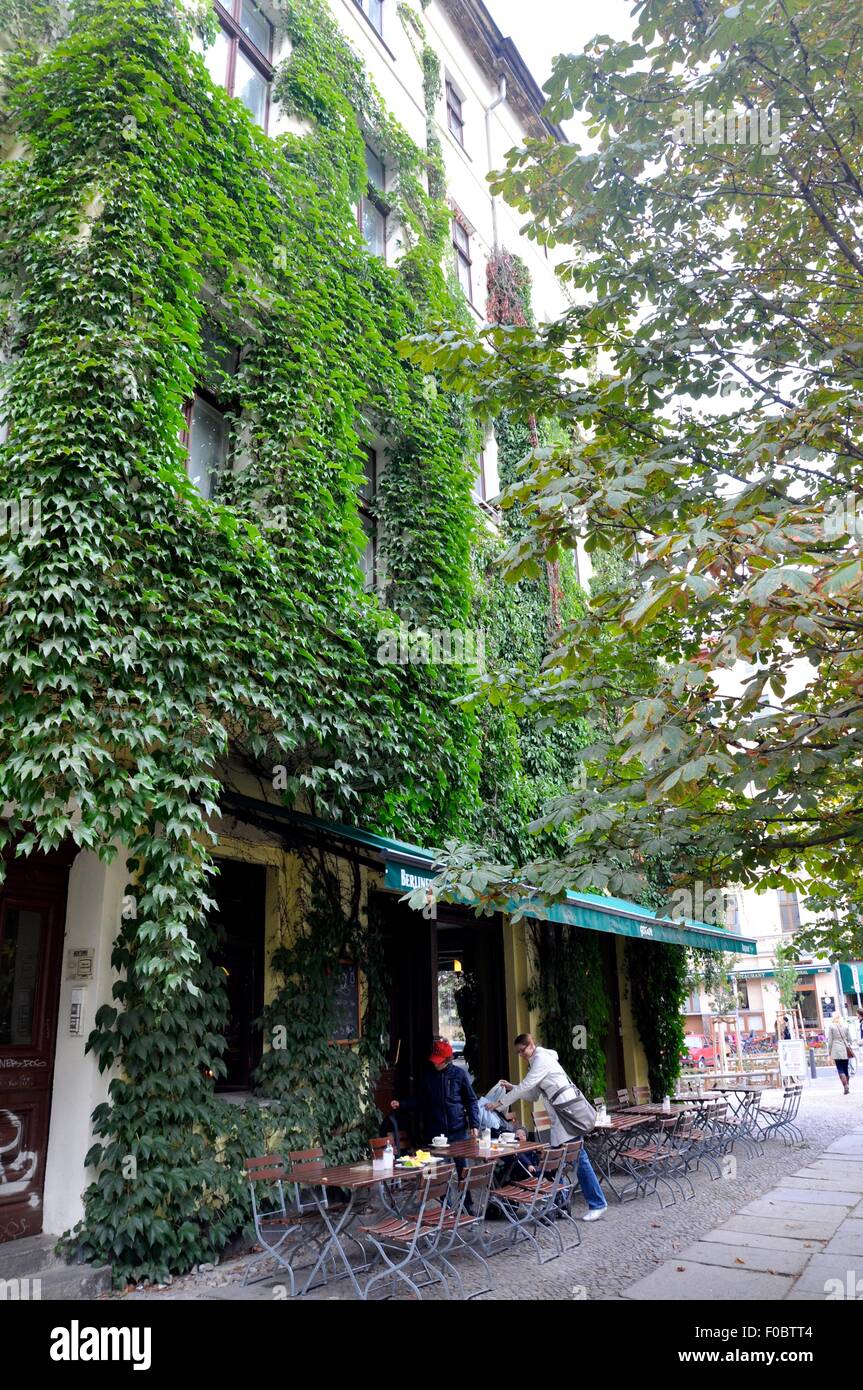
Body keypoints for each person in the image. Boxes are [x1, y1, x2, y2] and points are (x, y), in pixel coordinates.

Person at [486, 1032, 608, 1222]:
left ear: (531, 1045)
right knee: (562, 1161)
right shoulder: (537, 1062)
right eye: (518, 1052)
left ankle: (594, 1203)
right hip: (562, 1118)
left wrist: (498, 1103)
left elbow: (527, 1086)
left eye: (523, 1050)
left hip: (566, 1116)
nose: (521, 1054)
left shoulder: (541, 1059)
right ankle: (560, 1203)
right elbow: (532, 1095)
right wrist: (511, 1087)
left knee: (575, 1159)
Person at [390, 1038, 480, 1144]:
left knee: (462, 1159)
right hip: (436, 1132)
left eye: (439, 1062)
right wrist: (401, 1104)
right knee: (439, 1160)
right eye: (434, 1061)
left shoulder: (459, 1075)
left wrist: (474, 1124)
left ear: (448, 1060)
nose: (435, 1064)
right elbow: (421, 1099)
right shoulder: (428, 1076)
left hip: (458, 1130)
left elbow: (471, 1100)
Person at [827, 1013, 855, 1095]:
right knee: (846, 1068)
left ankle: (845, 1086)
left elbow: (830, 1041)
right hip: (844, 1049)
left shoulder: (831, 1026)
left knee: (840, 1068)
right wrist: (848, 1043)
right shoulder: (846, 1026)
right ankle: (848, 1086)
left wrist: (829, 1051)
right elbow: (850, 1039)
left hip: (836, 1049)